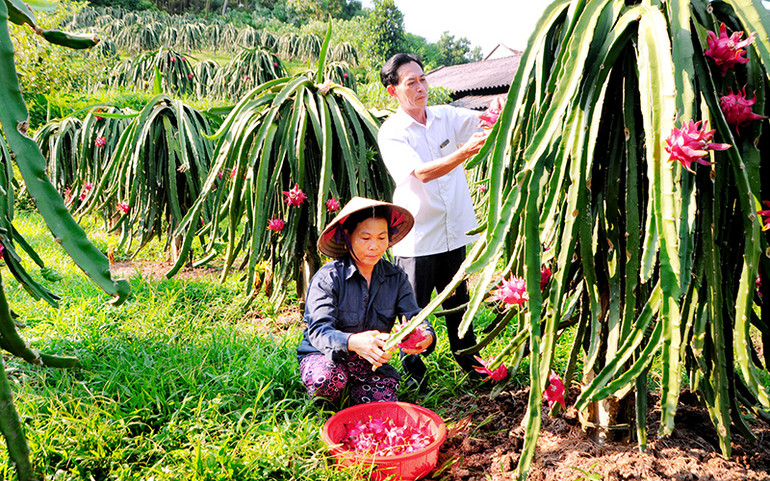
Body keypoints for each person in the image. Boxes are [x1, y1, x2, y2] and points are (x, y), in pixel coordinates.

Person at [378, 53, 496, 390]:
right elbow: (422, 173)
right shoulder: (392, 133)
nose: (421, 87)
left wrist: (498, 107)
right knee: (413, 312)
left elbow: (486, 120)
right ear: (393, 91)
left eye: (423, 79)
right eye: (411, 82)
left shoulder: (446, 116)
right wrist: (464, 152)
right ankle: (411, 375)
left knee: (459, 304)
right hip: (417, 237)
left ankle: (471, 363)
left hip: (454, 231)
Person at [296, 197, 436, 406]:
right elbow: (318, 331)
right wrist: (353, 342)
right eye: (365, 238)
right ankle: (328, 400)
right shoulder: (328, 278)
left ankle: (356, 387)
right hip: (326, 355)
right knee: (325, 381)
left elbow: (414, 316)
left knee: (382, 406)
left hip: (371, 362)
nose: (374, 246)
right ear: (348, 236)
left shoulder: (396, 277)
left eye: (382, 238)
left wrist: (426, 336)